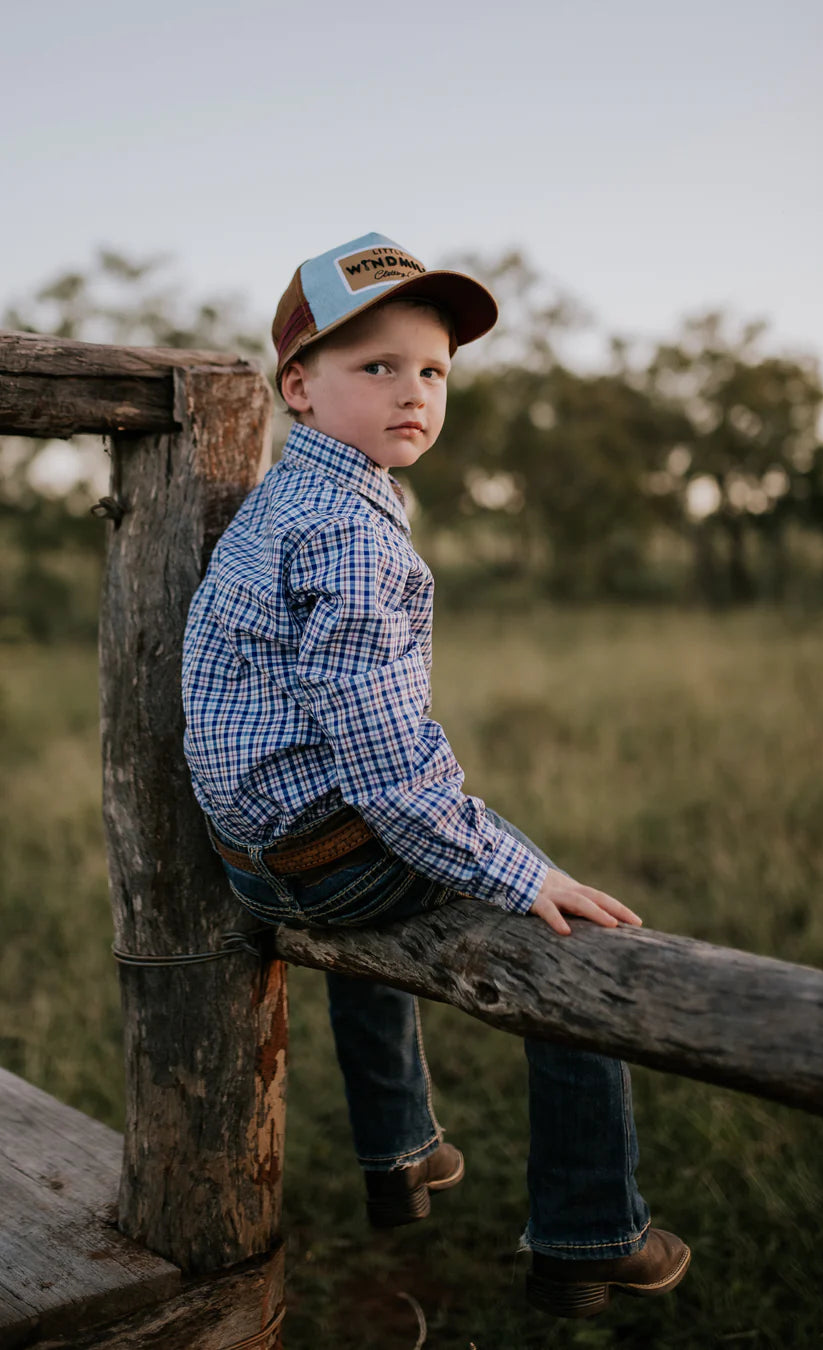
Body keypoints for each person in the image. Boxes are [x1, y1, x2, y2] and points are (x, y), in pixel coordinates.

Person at [181, 232, 690, 1318]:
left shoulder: (290, 499)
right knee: (580, 946)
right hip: (323, 862)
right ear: (301, 388)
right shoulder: (350, 534)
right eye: (378, 368)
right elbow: (385, 772)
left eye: (433, 371)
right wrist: (522, 873)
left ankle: (398, 1152)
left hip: (254, 860)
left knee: (404, 873)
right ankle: (590, 1230)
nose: (414, 392)